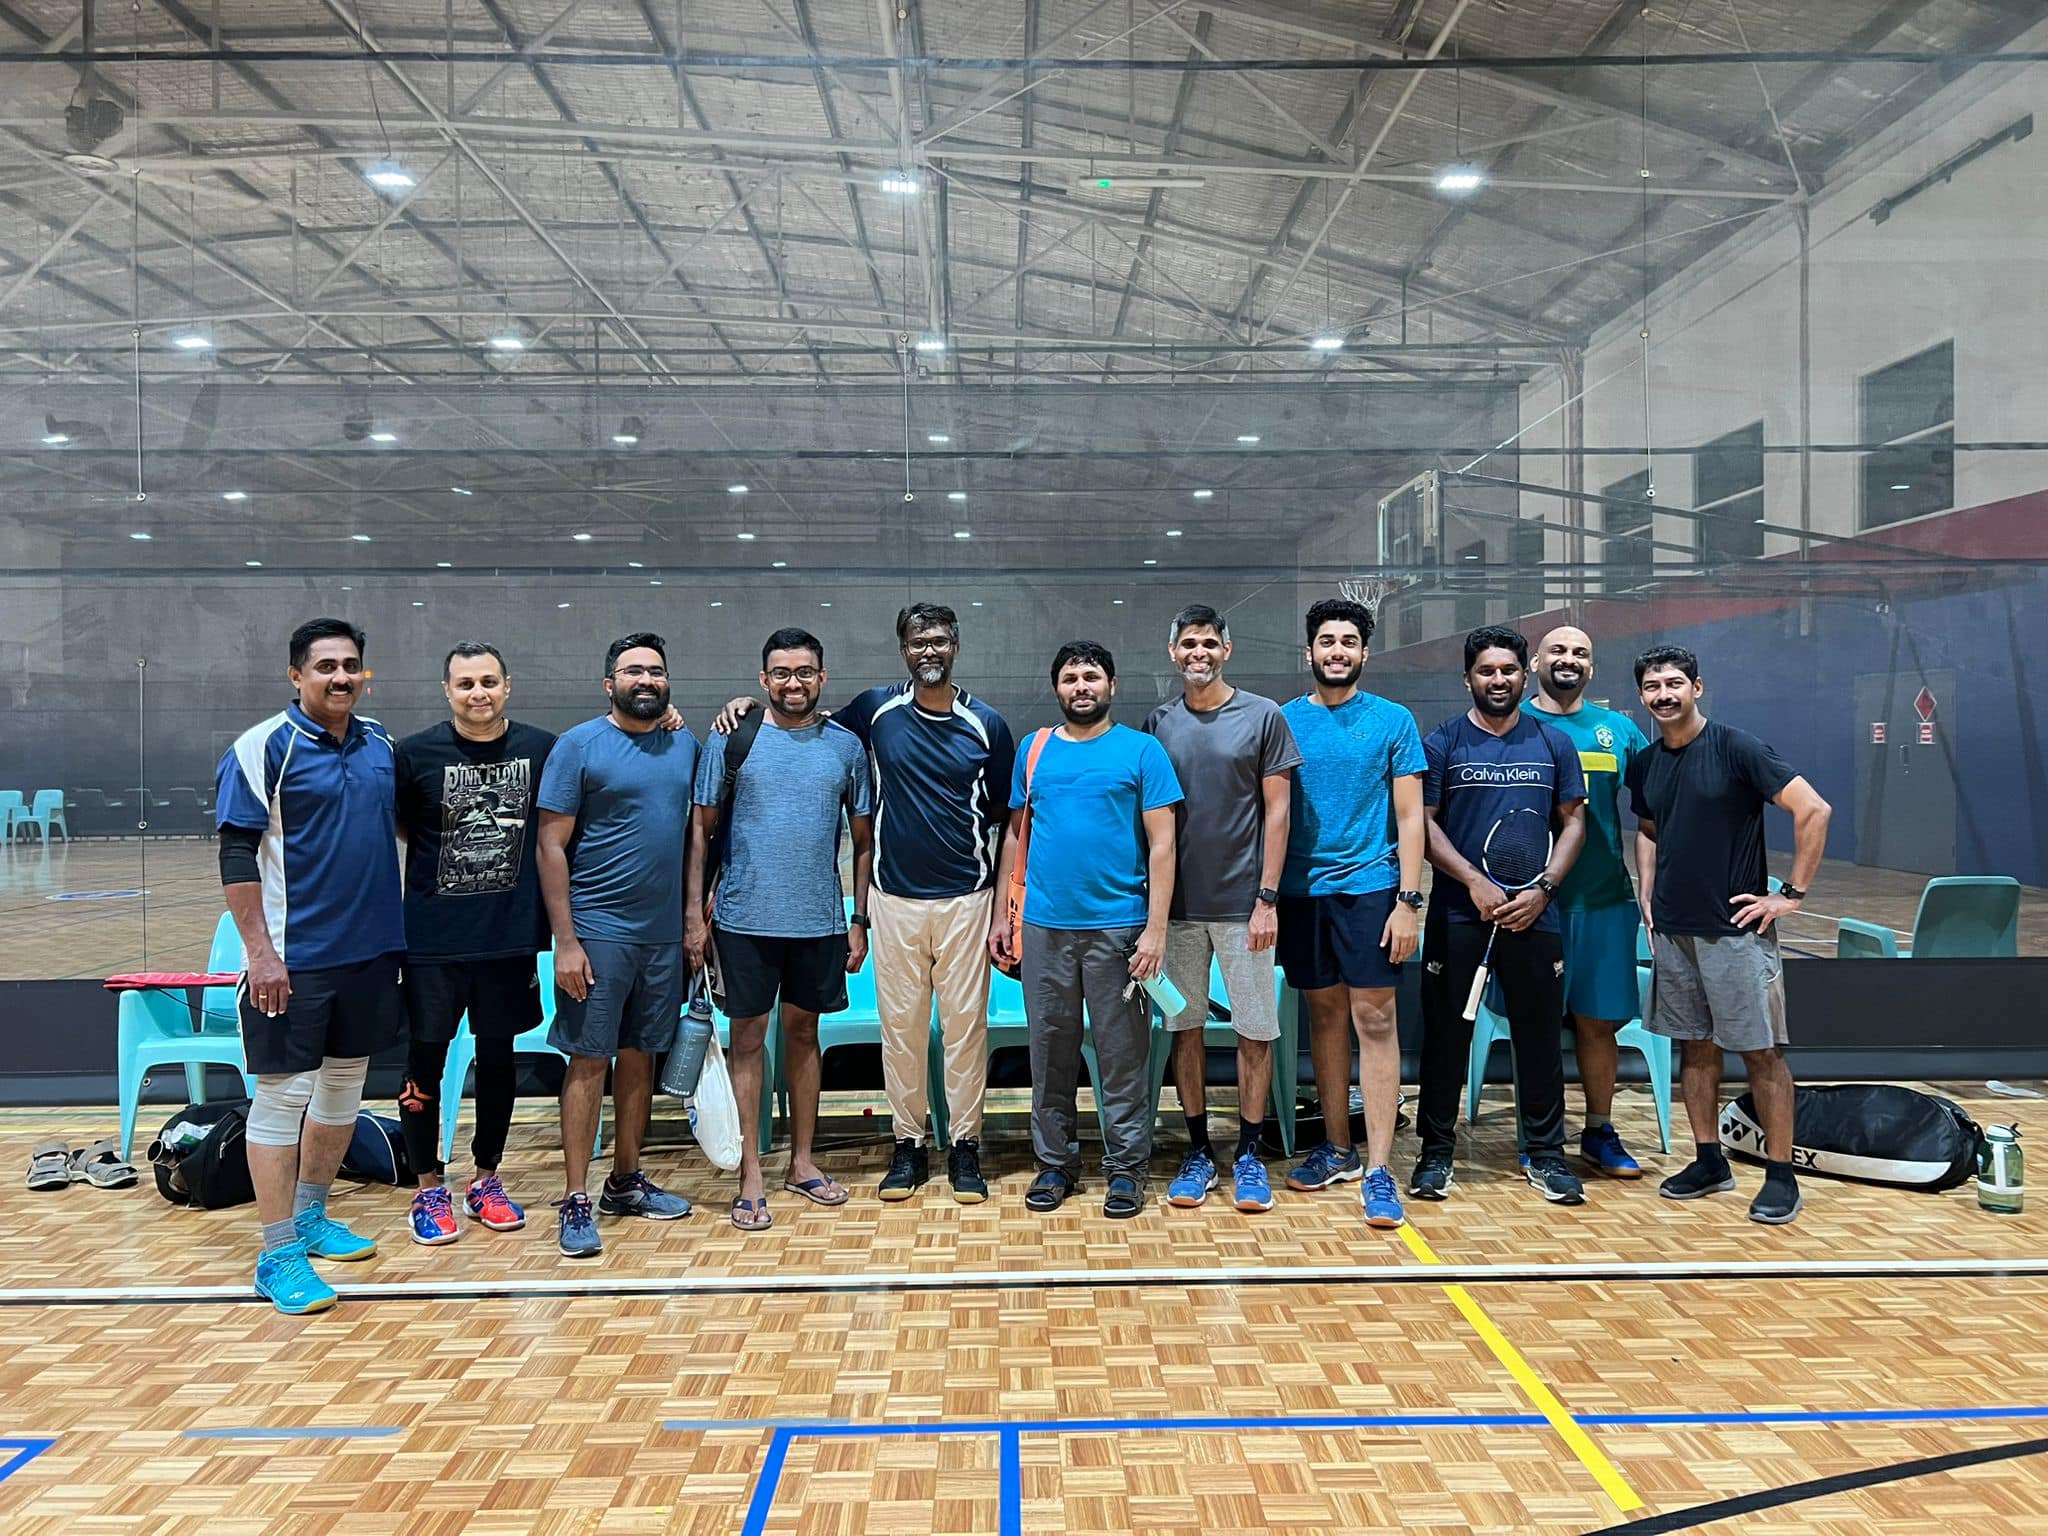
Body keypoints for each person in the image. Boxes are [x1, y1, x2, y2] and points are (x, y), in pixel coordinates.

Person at [713, 605, 1014, 1205]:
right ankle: (908, 1145)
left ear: (955, 646)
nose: (928, 651)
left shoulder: (988, 724)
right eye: (917, 642)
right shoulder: (875, 711)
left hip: (968, 898)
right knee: (900, 1032)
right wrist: (741, 706)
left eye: (938, 640)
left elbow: (1008, 821)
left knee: (965, 1031)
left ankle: (965, 1146)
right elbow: (800, 715)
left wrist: (1004, 905)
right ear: (904, 651)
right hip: (892, 899)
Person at [216, 617, 403, 1315]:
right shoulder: (262, 747)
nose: (340, 677)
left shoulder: (381, 743)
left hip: (371, 957)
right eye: (325, 666)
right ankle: (277, 1254)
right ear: (296, 675)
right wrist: (262, 954)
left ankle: (312, 1216)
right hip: (293, 964)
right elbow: (236, 854)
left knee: (343, 1092)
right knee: (282, 1098)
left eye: (351, 665)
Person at [1627, 645, 1832, 1224]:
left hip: (1736, 933)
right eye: (1652, 687)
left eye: (1674, 683)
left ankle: (1781, 1175)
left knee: (1761, 1053)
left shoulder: (1737, 748)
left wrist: (1790, 894)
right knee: (1695, 1047)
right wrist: (1647, 892)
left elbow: (1814, 810)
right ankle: (1709, 1161)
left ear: (1697, 687)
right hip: (1674, 932)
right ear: (1641, 696)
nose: (1663, 695)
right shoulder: (1645, 763)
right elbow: (1649, 829)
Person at [687, 628, 873, 1232]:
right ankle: (750, 1174)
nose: (795, 682)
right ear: (764, 680)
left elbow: (863, 841)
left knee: (804, 1035)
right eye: (782, 673)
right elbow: (700, 833)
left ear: (822, 677)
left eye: (805, 672)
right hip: (743, 919)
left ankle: (802, 1163)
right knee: (747, 1040)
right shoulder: (731, 738)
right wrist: (693, 916)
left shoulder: (846, 747)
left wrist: (859, 918)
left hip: (819, 921)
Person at [989, 641, 1182, 1219]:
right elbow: (1015, 835)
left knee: (1123, 1058)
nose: (1081, 687)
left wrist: (1155, 930)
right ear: (1057, 688)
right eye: (1070, 678)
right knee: (1050, 1053)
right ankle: (1055, 1164)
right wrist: (1002, 915)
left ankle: (1126, 1169)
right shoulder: (1034, 750)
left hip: (1119, 931)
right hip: (1044, 930)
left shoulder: (1142, 751)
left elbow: (1164, 846)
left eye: (1091, 676)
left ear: (1112, 686)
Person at [536, 632, 700, 1258]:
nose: (646, 680)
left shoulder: (684, 743)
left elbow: (696, 836)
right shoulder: (578, 746)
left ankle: (625, 1181)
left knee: (640, 1057)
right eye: (633, 671)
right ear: (610, 684)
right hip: (598, 934)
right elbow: (550, 846)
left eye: (655, 671)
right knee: (589, 1060)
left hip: (662, 938)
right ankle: (576, 1197)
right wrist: (566, 941)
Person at [1414, 626, 1589, 1206]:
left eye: (1508, 670)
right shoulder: (1443, 743)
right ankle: (1436, 1153)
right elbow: (1423, 824)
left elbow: (1574, 823)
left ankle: (1546, 1155)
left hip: (1534, 917)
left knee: (1539, 1039)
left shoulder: (1553, 744)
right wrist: (1474, 881)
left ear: (1524, 673)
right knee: (1446, 1037)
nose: (1498, 680)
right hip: (1459, 916)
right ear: (1467, 678)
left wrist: (1544, 888)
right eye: (1486, 671)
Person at [392, 642, 555, 1245]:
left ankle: (486, 1180)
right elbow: (405, 828)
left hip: (508, 940)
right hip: (432, 941)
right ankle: (428, 1187)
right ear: (448, 691)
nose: (477, 693)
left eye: (488, 681)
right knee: (424, 1063)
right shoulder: (414, 755)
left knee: (498, 1060)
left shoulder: (543, 749)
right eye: (465, 684)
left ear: (507, 686)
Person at [1143, 604, 1302, 1215]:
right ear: (1173, 652)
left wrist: (1267, 899)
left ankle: (1251, 1154)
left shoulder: (1264, 717)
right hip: (1178, 911)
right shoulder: (1158, 722)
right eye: (1189, 643)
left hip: (1245, 908)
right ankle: (1199, 1152)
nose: (1199, 653)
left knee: (1254, 1029)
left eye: (1209, 643)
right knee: (1183, 1028)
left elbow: (1279, 812)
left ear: (1226, 650)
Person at [1274, 598, 1427, 1229]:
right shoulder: (1282, 721)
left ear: (1364, 653)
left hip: (1372, 889)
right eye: (1327, 641)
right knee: (1325, 1017)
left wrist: (1408, 902)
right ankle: (1337, 1148)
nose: (1337, 651)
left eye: (1348, 642)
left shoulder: (1393, 720)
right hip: (1301, 892)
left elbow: (1412, 817)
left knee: (1375, 1018)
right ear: (1309, 651)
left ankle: (1380, 1168)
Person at [1528, 625, 1654, 1178]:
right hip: (1531, 907)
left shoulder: (1618, 731)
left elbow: (1652, 817)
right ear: (1535, 663)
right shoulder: (1512, 723)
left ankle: (1599, 1130)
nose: (1569, 659)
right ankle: (1539, 1137)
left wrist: (1652, 889)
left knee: (1598, 1023)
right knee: (1534, 1025)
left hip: (1604, 901)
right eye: (1557, 650)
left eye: (1580, 652)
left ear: (1592, 668)